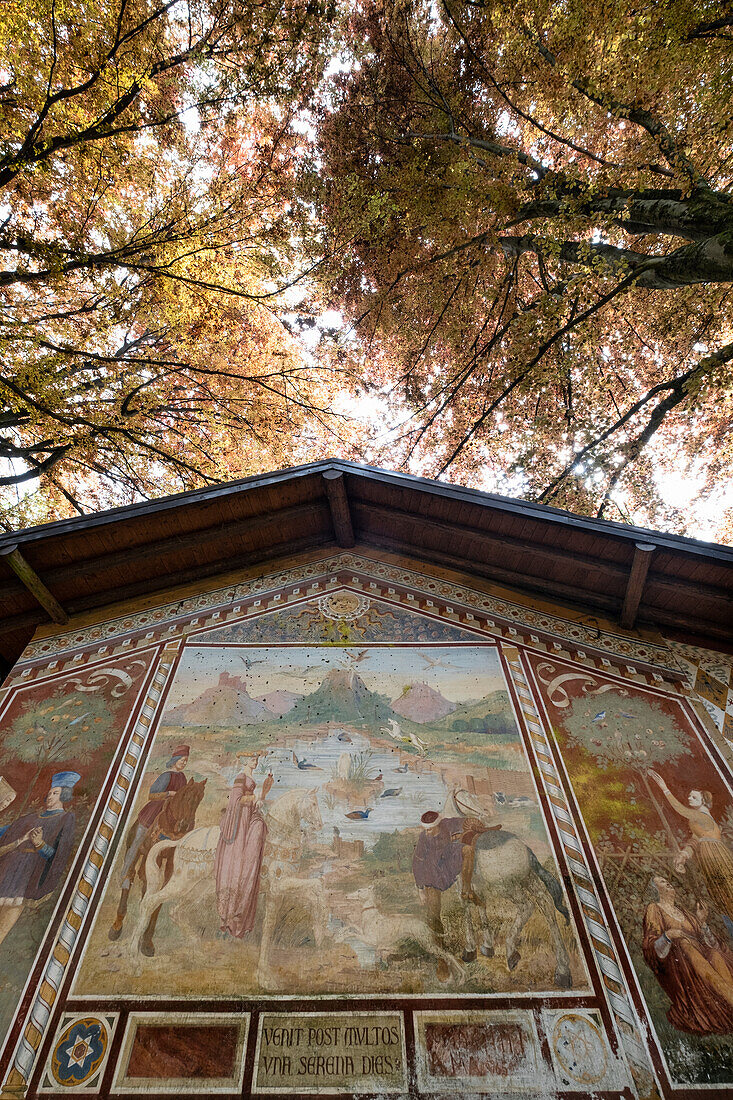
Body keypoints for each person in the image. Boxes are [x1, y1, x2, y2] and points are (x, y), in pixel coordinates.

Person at [642, 875, 733, 1034]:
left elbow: (709, 943)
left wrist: (702, 922)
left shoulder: (685, 913)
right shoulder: (654, 909)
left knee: (715, 955)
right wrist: (668, 935)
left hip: (701, 957)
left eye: (667, 880)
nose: (668, 882)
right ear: (656, 890)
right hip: (680, 964)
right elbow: (651, 945)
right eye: (662, 882)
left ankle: (729, 997)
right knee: (686, 946)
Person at [648, 770, 733, 937]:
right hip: (710, 858)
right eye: (689, 796)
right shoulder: (700, 820)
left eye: (693, 797)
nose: (689, 799)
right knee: (720, 895)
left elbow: (680, 809)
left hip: (715, 858)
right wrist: (684, 855)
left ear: (703, 801)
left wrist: (664, 788)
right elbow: (695, 841)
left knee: (726, 891)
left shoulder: (701, 816)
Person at [0, 771, 80, 948]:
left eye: (56, 793)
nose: (50, 796)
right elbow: (4, 834)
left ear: (65, 795)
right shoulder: (29, 818)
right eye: (50, 792)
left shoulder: (65, 819)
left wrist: (40, 844)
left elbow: (57, 857)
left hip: (23, 880)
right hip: (5, 872)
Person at [214, 752, 273, 937]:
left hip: (250, 815)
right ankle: (230, 914)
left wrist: (259, 800)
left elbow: (251, 800)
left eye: (256, 760)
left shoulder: (251, 778)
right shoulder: (241, 777)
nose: (255, 762)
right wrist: (254, 798)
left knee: (261, 827)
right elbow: (236, 801)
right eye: (252, 760)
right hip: (240, 821)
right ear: (244, 761)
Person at [119, 745, 189, 890]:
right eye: (182, 760)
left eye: (186, 761)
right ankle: (126, 874)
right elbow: (151, 795)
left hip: (172, 813)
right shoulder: (166, 776)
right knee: (138, 840)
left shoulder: (183, 777)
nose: (184, 763)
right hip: (155, 810)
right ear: (175, 760)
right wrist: (169, 794)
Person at [412, 810, 491, 935]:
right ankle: (439, 943)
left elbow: (465, 821)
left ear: (437, 824)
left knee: (468, 850)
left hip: (449, 859)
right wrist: (420, 890)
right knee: (433, 912)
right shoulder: (423, 837)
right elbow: (417, 862)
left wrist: (478, 821)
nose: (427, 832)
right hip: (432, 872)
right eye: (426, 829)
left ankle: (466, 890)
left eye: (430, 829)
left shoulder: (447, 824)